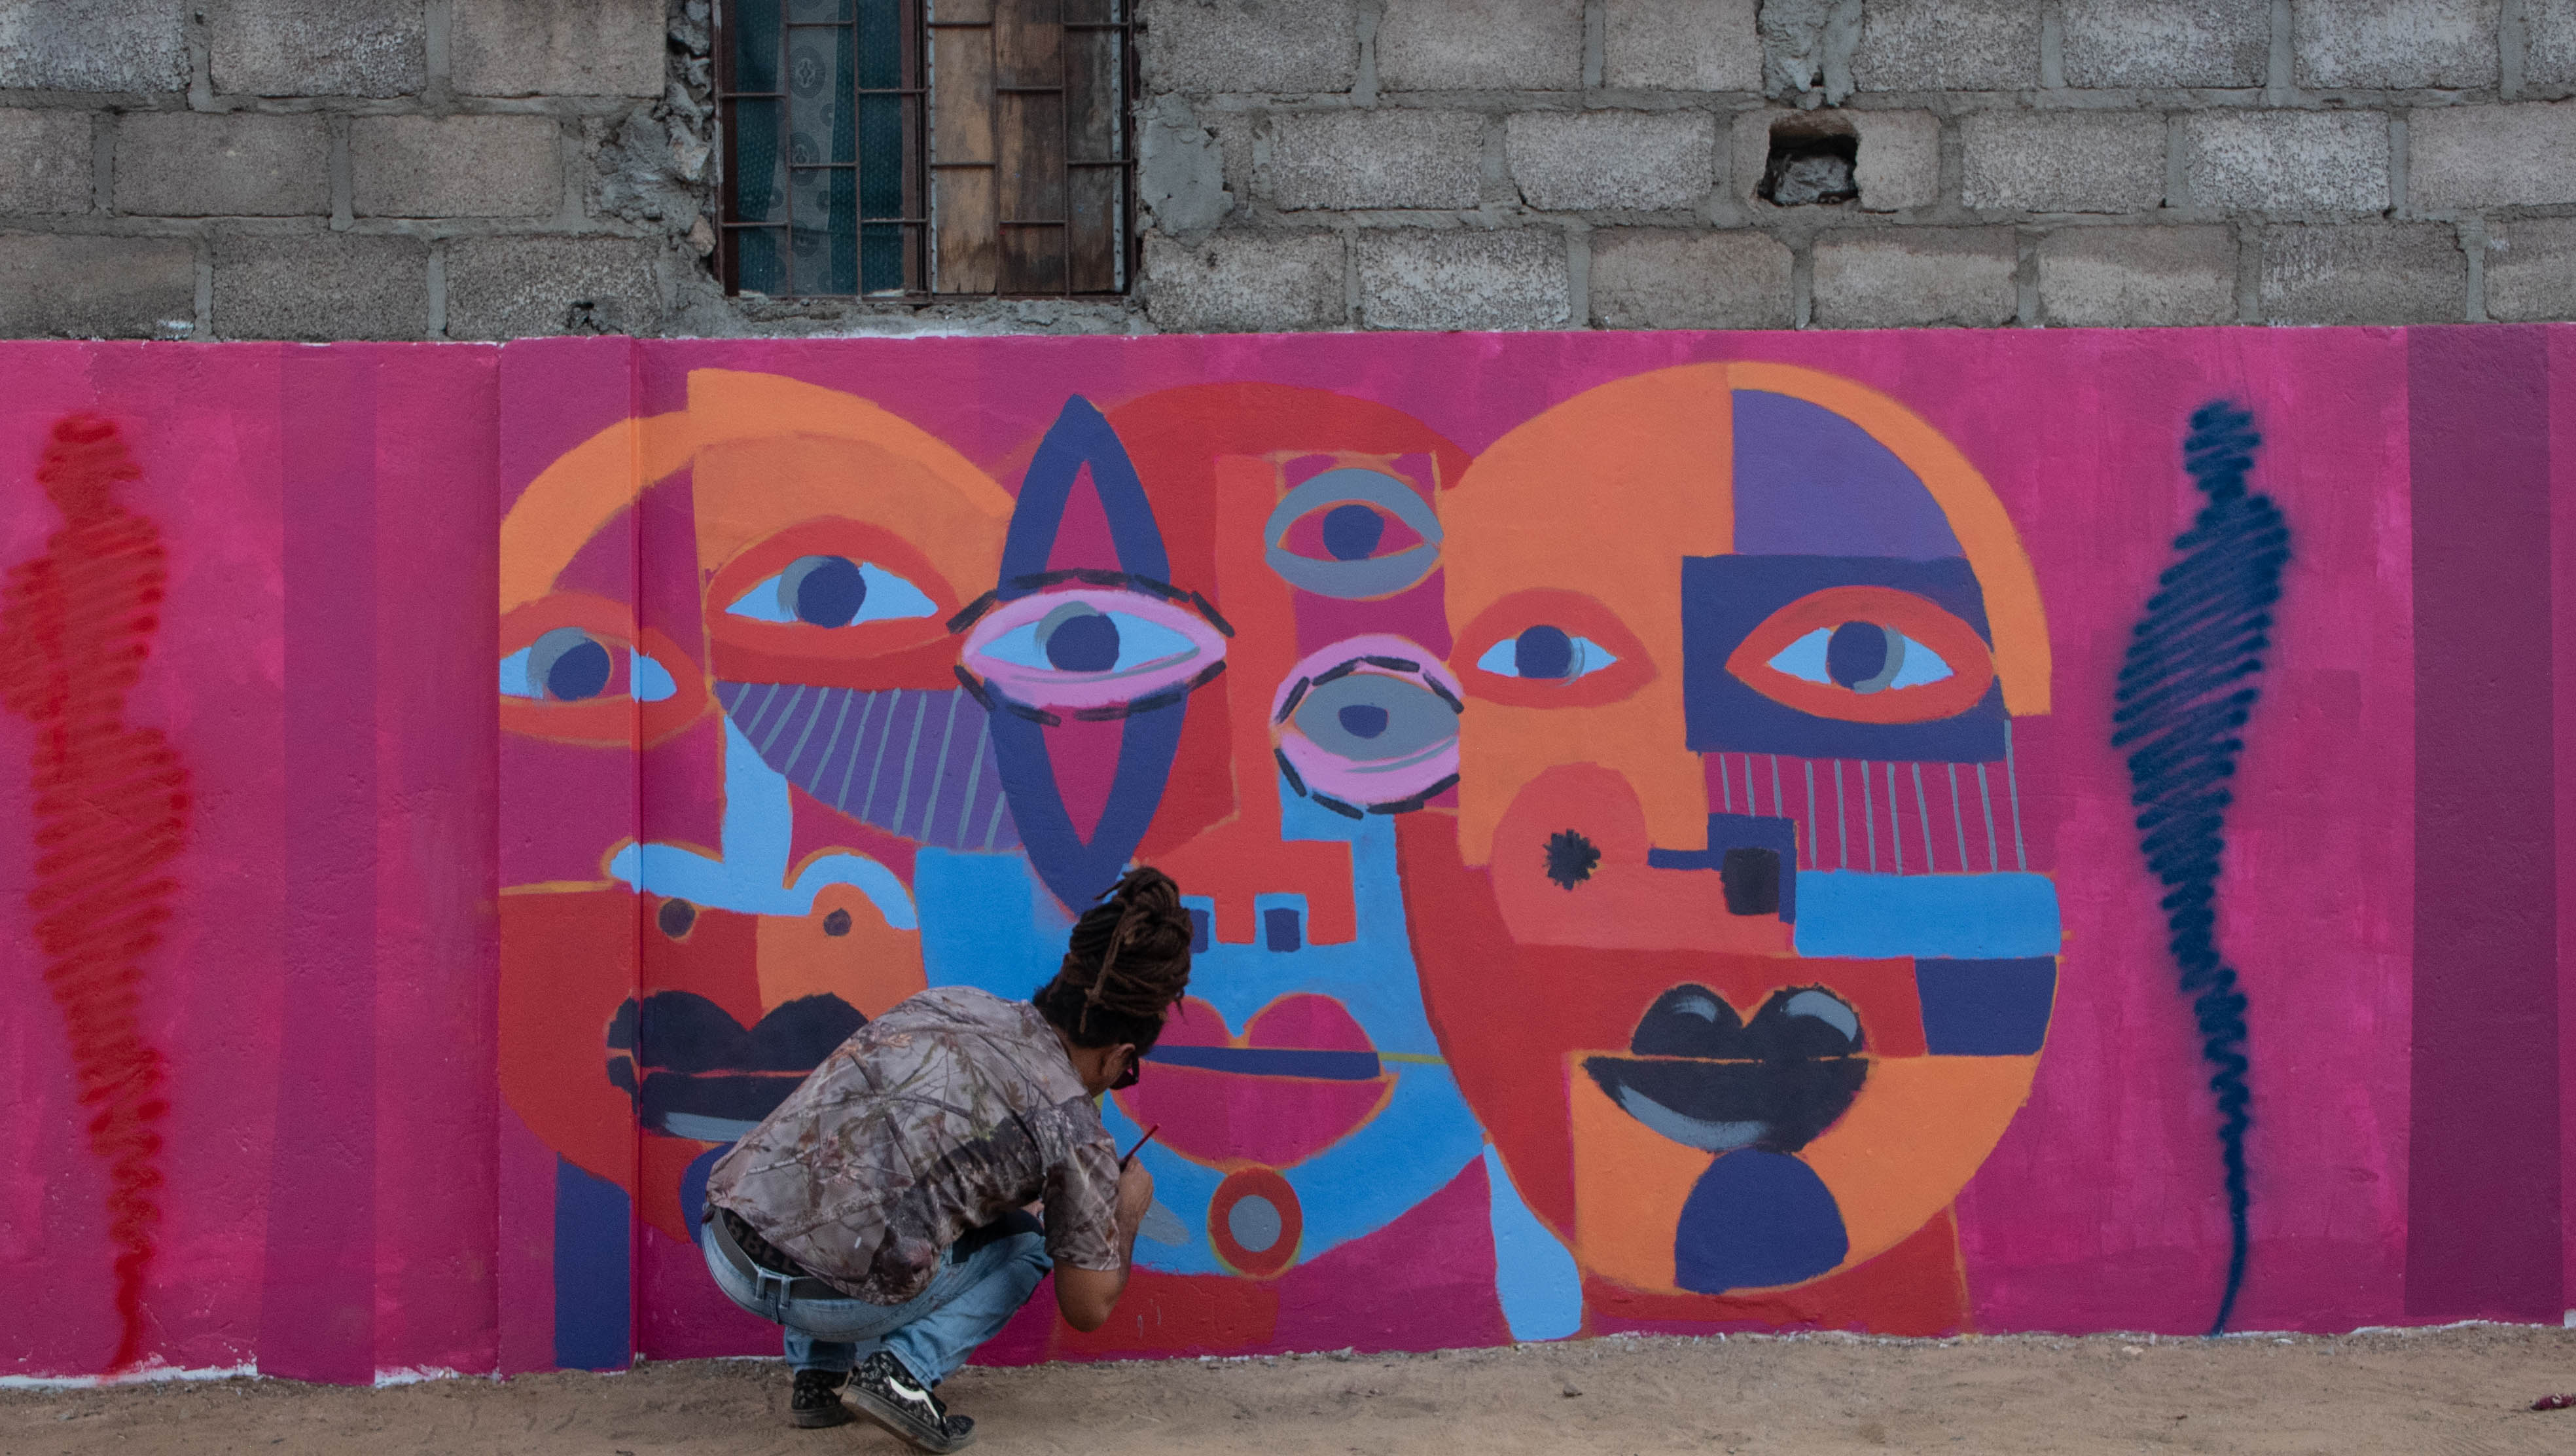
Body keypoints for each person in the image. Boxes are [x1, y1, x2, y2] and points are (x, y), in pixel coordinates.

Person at [698, 866, 1194, 1451]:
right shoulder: (1075, 1129)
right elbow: (1086, 1307)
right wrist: (1124, 1212)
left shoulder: (954, 1002)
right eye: (1126, 1073)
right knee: (1031, 1242)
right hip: (831, 1302)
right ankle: (903, 1373)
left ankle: (819, 1378)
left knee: (858, 1154)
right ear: (1120, 1057)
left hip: (728, 1243)